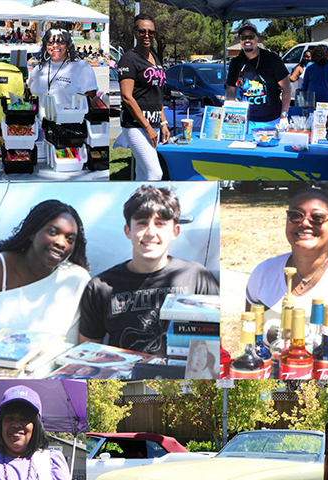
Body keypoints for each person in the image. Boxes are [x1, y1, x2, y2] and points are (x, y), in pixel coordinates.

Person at [78, 186, 219, 355]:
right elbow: (87, 354)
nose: (151, 233)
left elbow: (218, 342)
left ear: (175, 232)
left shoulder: (197, 277)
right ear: (127, 231)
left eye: (160, 224)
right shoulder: (100, 287)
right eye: (142, 223)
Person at [0, 200, 91, 344]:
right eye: (52, 232)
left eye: (70, 239)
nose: (61, 243)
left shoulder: (75, 279)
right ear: (32, 232)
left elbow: (72, 347)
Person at [244, 188, 328, 341]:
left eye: (317, 217)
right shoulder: (263, 272)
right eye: (295, 215)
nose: (305, 222)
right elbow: (249, 338)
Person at [116, 13, 168, 181]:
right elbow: (126, 97)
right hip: (136, 125)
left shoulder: (155, 58)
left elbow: (157, 93)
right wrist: (147, 128)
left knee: (143, 173)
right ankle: (150, 204)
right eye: (142, 31)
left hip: (154, 124)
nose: (147, 35)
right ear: (135, 32)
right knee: (155, 173)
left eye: (151, 32)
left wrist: (163, 123)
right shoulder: (128, 59)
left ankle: (137, 202)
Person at [224, 23, 291, 124]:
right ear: (240, 41)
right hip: (246, 121)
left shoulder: (272, 59)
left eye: (251, 36)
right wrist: (230, 109)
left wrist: (284, 115)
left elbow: (286, 87)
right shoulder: (235, 63)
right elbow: (231, 90)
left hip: (272, 120)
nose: (247, 40)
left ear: (257, 38)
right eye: (243, 37)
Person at [28, 27, 103, 108]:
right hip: (40, 120)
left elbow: (90, 97)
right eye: (50, 42)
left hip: (70, 120)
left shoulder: (82, 67)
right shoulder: (38, 70)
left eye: (61, 42)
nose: (55, 46)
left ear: (68, 45)